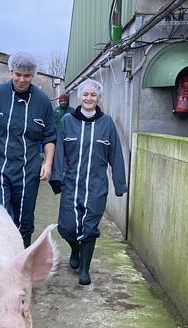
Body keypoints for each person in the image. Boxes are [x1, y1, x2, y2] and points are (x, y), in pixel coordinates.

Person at [0, 52, 56, 247]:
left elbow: (50, 136)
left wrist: (48, 162)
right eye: (18, 74)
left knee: (24, 220)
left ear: (33, 75)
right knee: (1, 216)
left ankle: (23, 257)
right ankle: (4, 259)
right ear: (11, 71)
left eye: (27, 76)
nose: (21, 80)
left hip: (28, 169)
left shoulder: (42, 101)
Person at [49, 79, 127, 286]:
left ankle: (84, 269)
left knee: (89, 227)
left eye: (93, 95)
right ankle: (75, 249)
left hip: (97, 184)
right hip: (72, 183)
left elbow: (116, 154)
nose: (89, 98)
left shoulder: (107, 123)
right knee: (67, 227)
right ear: (79, 97)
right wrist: (56, 178)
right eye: (85, 94)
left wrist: (120, 184)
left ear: (99, 98)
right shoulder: (67, 122)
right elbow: (59, 152)